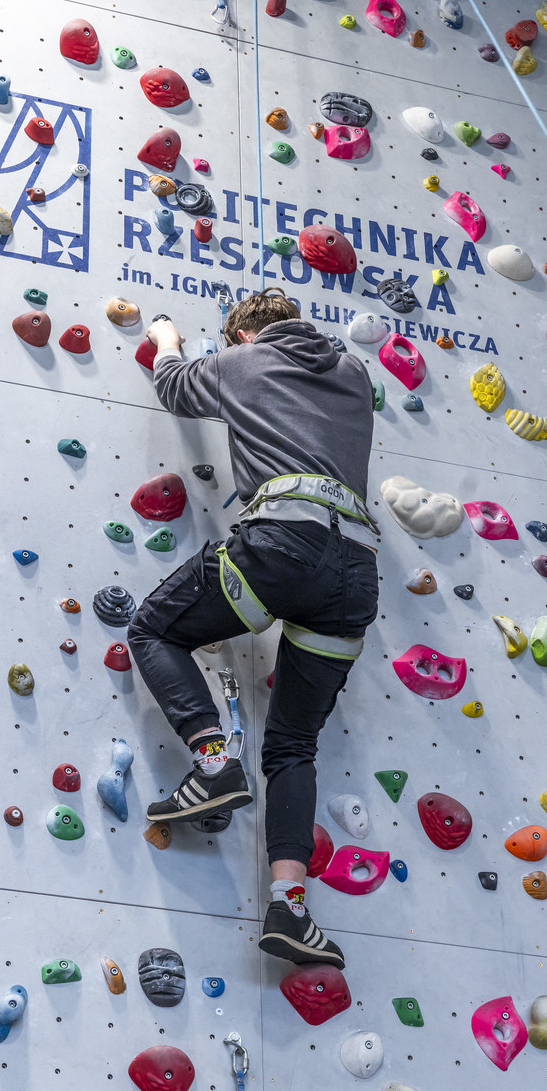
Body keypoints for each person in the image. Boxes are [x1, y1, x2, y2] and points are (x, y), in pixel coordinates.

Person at [127, 288, 379, 969]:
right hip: (355, 572)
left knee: (153, 630)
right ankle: (290, 907)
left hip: (282, 545)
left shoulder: (244, 361)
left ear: (241, 335)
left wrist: (168, 336)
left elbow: (176, 387)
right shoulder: (354, 373)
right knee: (294, 745)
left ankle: (213, 763)